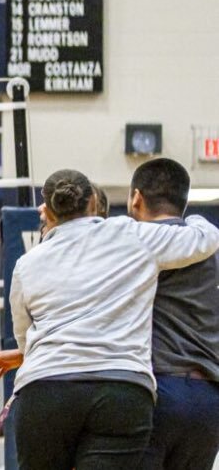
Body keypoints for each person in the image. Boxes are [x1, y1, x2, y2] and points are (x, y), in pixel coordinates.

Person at [0, 169, 219, 469]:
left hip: (46, 390)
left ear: (47, 211)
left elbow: (26, 338)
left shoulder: (27, 263)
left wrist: (31, 356)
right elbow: (202, 240)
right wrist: (198, 219)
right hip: (121, 388)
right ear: (94, 200)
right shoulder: (129, 234)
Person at [124, 158, 219, 469]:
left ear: (136, 198)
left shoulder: (132, 246)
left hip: (157, 392)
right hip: (208, 398)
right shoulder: (211, 247)